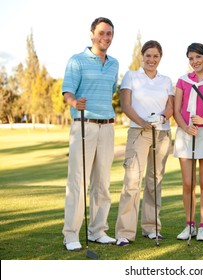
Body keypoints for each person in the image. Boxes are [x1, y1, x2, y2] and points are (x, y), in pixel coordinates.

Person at [62, 17, 119, 251]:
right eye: (101, 33)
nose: (105, 38)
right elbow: (67, 92)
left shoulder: (114, 63)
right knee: (78, 181)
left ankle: (98, 231)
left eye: (109, 34)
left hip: (107, 126)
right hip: (84, 124)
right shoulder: (77, 61)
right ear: (92, 34)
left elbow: (111, 91)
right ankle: (71, 234)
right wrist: (76, 102)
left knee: (102, 182)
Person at [115, 40, 174, 246]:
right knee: (132, 180)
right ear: (142, 56)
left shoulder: (166, 80)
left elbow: (170, 106)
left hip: (162, 133)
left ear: (160, 58)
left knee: (154, 181)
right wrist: (142, 122)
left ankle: (152, 227)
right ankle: (124, 232)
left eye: (156, 56)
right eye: (148, 55)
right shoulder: (131, 76)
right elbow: (126, 104)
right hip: (138, 132)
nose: (151, 60)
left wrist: (162, 119)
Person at [173, 43, 203, 241]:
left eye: (198, 57)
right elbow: (176, 110)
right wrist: (186, 127)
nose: (194, 62)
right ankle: (189, 225)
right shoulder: (182, 81)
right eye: (191, 58)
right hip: (186, 134)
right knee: (187, 183)